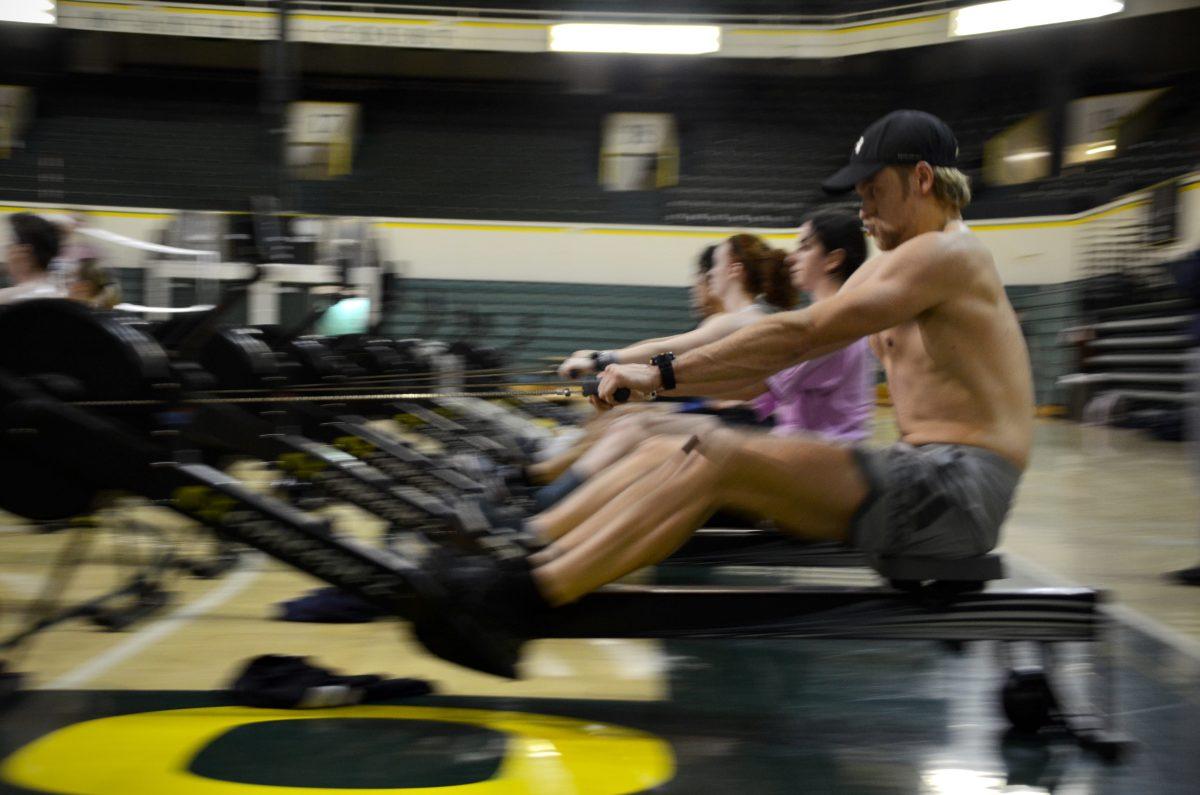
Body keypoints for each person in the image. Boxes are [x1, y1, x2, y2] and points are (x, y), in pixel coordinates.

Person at [416, 110, 1035, 679]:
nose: (864, 207)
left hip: (957, 490)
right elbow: (761, 370)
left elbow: (802, 335)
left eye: (873, 191)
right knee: (695, 445)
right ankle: (526, 556)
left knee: (716, 454)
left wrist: (656, 376)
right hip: (923, 475)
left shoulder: (949, 252)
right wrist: (649, 385)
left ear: (922, 179)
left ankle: (511, 603)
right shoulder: (894, 263)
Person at [530, 210, 874, 512]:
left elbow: (743, 384)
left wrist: (627, 373)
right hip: (791, 444)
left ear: (832, 260)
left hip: (816, 463)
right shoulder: (820, 320)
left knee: (653, 438)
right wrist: (642, 389)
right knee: (645, 429)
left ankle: (544, 505)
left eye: (805, 246)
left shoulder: (825, 328)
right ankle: (549, 501)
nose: (793, 256)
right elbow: (751, 394)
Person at [555, 232, 796, 381]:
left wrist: (597, 360)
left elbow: (666, 349)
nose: (710, 273)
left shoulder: (739, 320)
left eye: (716, 264)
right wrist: (598, 355)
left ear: (735, 270)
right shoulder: (745, 316)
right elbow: (658, 345)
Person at [0, 213, 66, 304]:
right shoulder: (64, 297)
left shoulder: (5, 300)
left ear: (22, 253)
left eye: (9, 246)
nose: (6, 255)